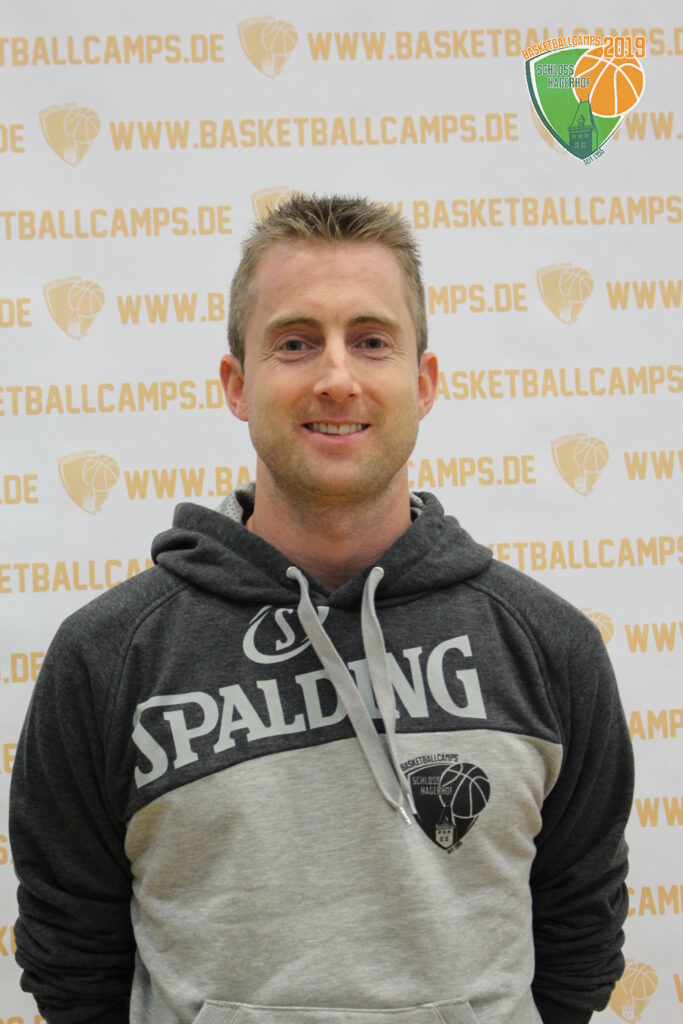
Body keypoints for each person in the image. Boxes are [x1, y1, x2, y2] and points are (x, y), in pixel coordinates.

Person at [10, 194, 633, 1024]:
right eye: (296, 343)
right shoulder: (108, 655)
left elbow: (578, 934)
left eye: (370, 341)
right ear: (237, 385)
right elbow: (71, 958)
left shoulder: (547, 646)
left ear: (422, 382)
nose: (336, 379)